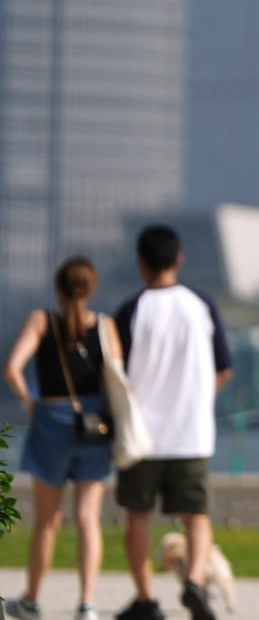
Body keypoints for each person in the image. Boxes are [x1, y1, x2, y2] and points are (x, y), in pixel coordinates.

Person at [112, 225, 233, 620]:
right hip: (192, 432)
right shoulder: (201, 305)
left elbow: (114, 372)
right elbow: (223, 369)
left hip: (142, 435)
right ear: (178, 260)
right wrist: (199, 401)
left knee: (137, 517)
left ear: (141, 263)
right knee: (197, 517)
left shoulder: (131, 311)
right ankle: (195, 583)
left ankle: (146, 600)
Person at [3, 256, 120, 620]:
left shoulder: (42, 320)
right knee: (88, 518)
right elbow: (118, 377)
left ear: (58, 288)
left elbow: (12, 368)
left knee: (47, 521)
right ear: (91, 288)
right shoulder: (104, 325)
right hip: (94, 424)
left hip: (51, 420)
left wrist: (29, 403)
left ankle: (32, 601)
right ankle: (86, 604)